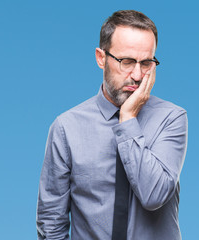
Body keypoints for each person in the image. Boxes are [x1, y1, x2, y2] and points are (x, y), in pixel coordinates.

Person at [36, 10, 188, 240]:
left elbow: (154, 195)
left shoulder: (172, 119)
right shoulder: (66, 128)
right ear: (101, 58)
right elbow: (51, 222)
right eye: (126, 61)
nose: (137, 75)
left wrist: (127, 119)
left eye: (146, 63)